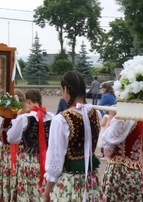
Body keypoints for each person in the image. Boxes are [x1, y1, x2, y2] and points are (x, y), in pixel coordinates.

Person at [44, 71, 102, 202]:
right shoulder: (96, 114)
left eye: (61, 89)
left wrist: (47, 192)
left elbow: (55, 162)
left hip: (70, 184)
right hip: (91, 181)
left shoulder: (61, 119)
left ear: (66, 89)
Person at [98, 115, 143, 201]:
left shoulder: (124, 119)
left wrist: (110, 117)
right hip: (138, 173)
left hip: (119, 171)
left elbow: (108, 152)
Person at [8, 89, 53, 201]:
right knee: (43, 191)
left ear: (28, 101)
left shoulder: (24, 118)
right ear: (40, 100)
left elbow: (12, 138)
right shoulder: (52, 117)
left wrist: (17, 118)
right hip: (47, 160)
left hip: (28, 160)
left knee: (27, 192)